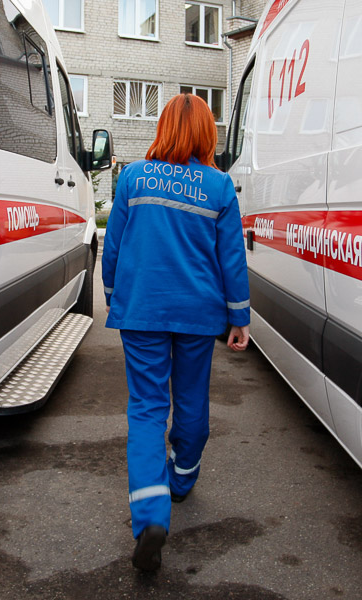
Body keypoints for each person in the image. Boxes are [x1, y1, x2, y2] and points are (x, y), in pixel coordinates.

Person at [101, 93, 250, 571]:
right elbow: (232, 259)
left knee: (146, 409)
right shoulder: (220, 187)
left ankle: (150, 517)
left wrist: (112, 293)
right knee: (190, 400)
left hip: (142, 309)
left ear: (163, 127)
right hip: (197, 315)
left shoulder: (132, 177)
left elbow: (115, 247)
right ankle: (182, 480)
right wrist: (239, 316)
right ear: (208, 134)